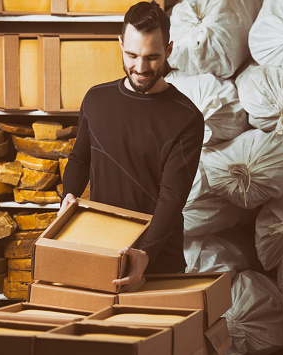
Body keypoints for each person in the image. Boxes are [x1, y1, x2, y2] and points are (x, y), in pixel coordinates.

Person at [59, 1, 204, 292]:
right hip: (103, 252)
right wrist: (68, 196)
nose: (140, 68)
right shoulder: (96, 100)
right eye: (132, 55)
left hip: (159, 262)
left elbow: (172, 197)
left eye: (152, 57)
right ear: (120, 44)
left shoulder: (185, 117)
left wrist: (145, 254)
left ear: (169, 51)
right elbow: (79, 159)